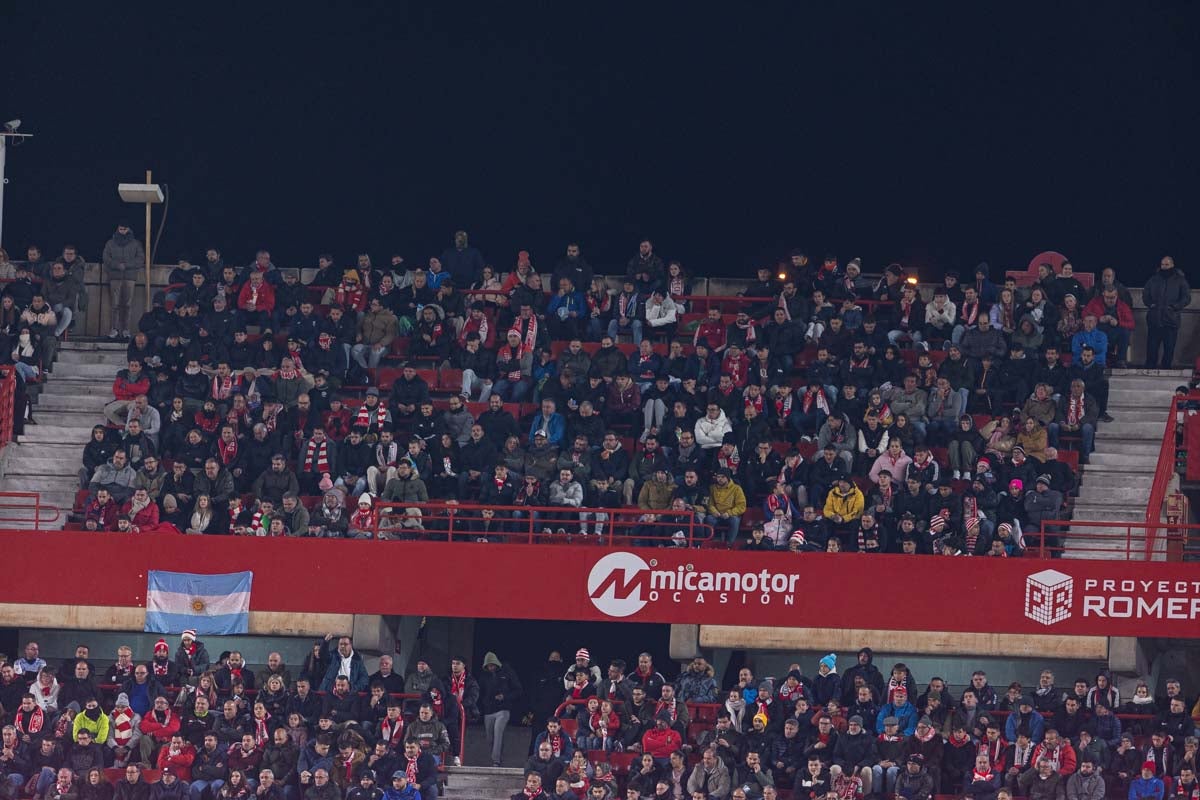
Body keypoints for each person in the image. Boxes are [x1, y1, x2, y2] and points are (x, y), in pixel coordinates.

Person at [1142, 255, 1191, 369]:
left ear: (1172, 265)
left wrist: (1175, 307)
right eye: (1162, 264)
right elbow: (1145, 295)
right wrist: (1150, 304)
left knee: (1169, 349)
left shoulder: (1180, 280)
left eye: (1167, 264)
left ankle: (1166, 369)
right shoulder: (1153, 279)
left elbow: (1186, 298)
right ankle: (1150, 370)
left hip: (1171, 320)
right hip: (1154, 320)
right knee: (1152, 348)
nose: (1164, 267)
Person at [478, 652, 522, 767]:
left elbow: (518, 690)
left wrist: (505, 696)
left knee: (498, 733)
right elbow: (480, 692)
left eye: (492, 665)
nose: (491, 668)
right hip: (488, 710)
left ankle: (496, 761)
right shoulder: (484, 676)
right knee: (490, 738)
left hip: (503, 709)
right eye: (488, 666)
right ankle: (496, 758)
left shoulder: (507, 672)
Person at [103, 222, 145, 339]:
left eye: (124, 229)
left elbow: (140, 258)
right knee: (114, 304)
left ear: (128, 229)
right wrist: (117, 265)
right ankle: (114, 329)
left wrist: (127, 265)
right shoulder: (110, 243)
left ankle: (126, 330)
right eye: (120, 229)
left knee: (127, 305)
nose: (122, 231)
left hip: (130, 277)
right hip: (115, 277)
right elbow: (106, 258)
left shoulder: (136, 243)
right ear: (117, 229)